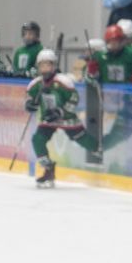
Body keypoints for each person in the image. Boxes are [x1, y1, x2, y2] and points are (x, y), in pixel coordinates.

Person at [25, 50, 100, 188]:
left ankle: (98, 150)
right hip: (48, 119)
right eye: (42, 66)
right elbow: (30, 97)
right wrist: (30, 104)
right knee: (37, 139)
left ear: (54, 66)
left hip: (67, 119)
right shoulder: (36, 84)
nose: (45, 69)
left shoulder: (63, 82)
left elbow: (74, 99)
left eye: (48, 65)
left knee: (82, 139)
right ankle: (48, 170)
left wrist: (60, 112)